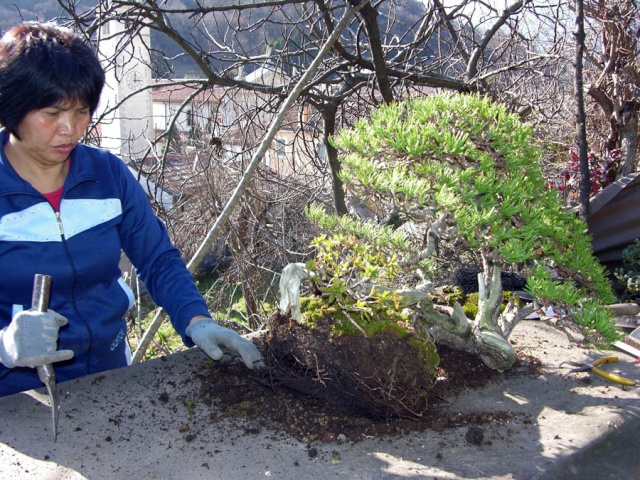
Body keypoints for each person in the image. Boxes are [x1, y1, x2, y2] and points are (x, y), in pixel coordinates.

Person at [0, 22, 262, 397]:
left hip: (111, 380)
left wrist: (196, 320)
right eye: (53, 112)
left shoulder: (106, 175)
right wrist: (6, 346)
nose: (70, 129)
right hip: (15, 400)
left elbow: (157, 259)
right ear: (12, 107)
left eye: (81, 111)